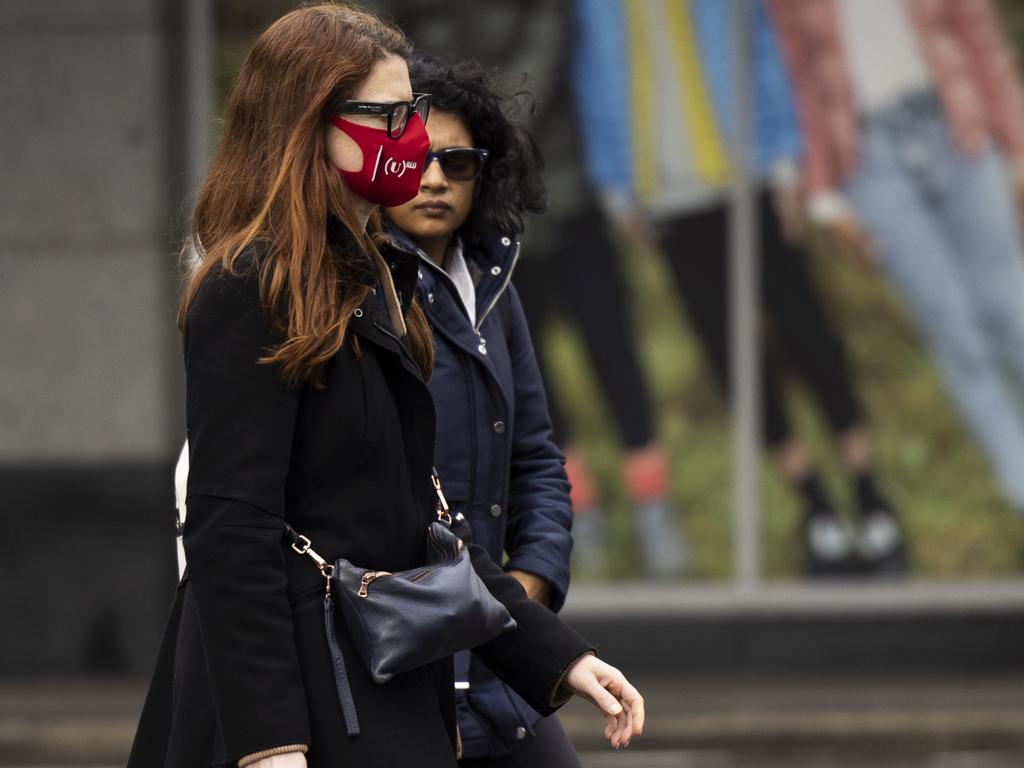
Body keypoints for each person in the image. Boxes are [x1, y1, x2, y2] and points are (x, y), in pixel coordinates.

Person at [126, 6, 644, 768]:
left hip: (378, 681)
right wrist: (271, 746)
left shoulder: (377, 280)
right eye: (389, 115)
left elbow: (420, 520)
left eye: (415, 115)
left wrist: (557, 657)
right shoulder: (248, 286)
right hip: (307, 701)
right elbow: (230, 535)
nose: (413, 138)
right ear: (308, 120)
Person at [571, 0, 905, 576]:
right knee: (733, 355)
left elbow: (762, 49)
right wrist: (616, 183)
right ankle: (815, 506)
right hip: (672, 201)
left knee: (809, 335)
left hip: (750, 176)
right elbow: (592, 77)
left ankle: (869, 491)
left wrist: (785, 157)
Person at [372, 0, 688, 582]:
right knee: (528, 368)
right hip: (466, 178)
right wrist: (450, 117)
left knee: (613, 350)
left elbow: (553, 32)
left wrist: (488, 115)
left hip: (559, 178)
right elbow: (383, 49)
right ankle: (579, 517)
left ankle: (654, 507)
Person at [383, 56, 581, 766]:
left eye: (457, 162)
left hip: (501, 655)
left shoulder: (495, 286)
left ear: (485, 173)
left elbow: (536, 456)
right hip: (398, 650)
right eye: (414, 161)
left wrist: (528, 585)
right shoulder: (359, 287)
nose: (434, 179)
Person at [770, 0, 1024, 513]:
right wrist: (821, 191)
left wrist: (1017, 138)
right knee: (957, 338)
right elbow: (797, 69)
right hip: (868, 156)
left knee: (1013, 312)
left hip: (954, 122)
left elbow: (977, 31)